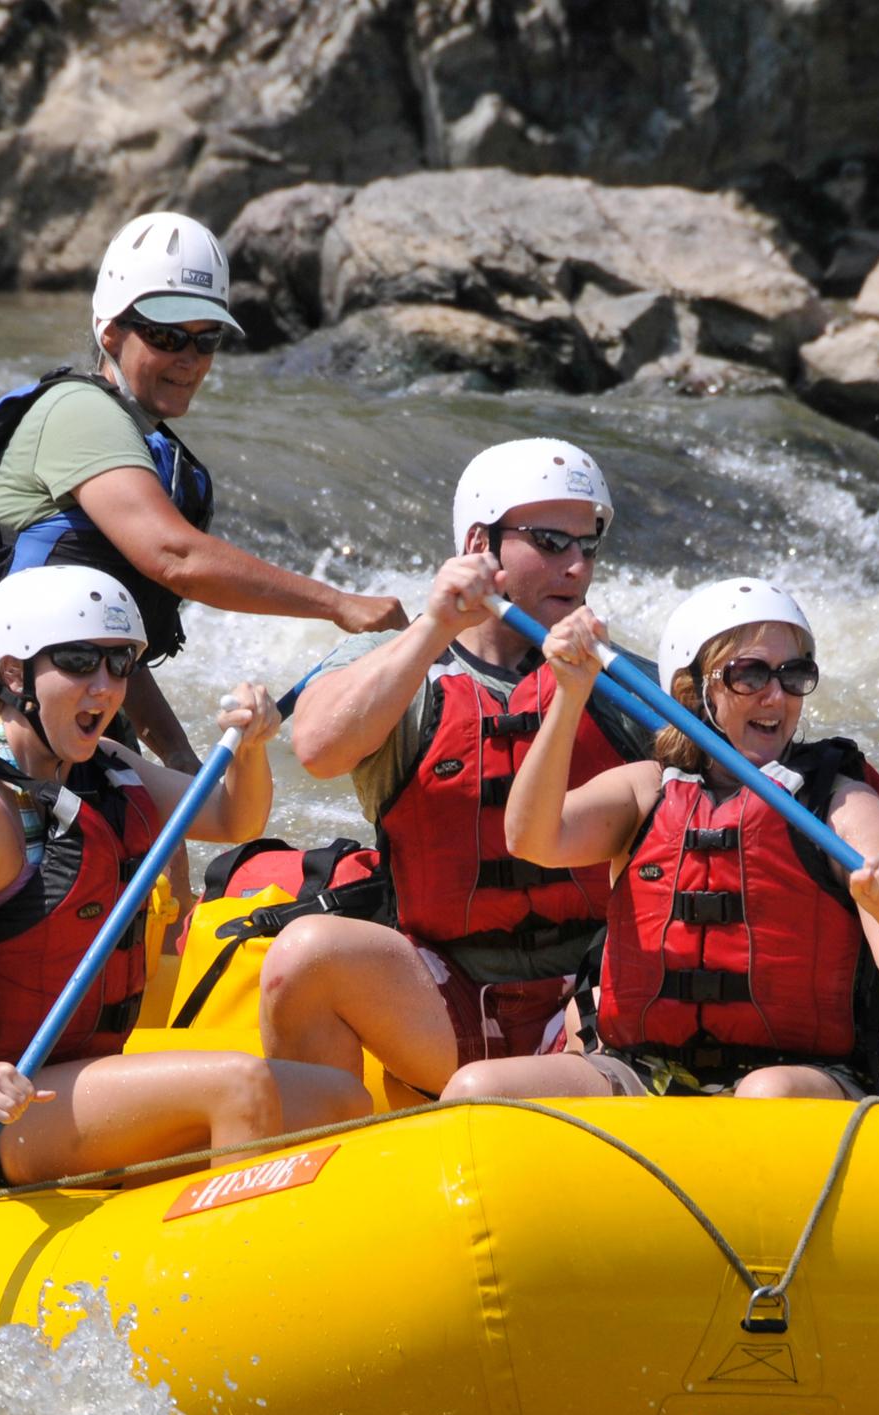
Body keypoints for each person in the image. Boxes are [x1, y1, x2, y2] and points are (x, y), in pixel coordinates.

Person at [0, 566, 372, 1186]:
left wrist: (248, 750)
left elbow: (231, 817)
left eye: (120, 664)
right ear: (14, 674)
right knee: (241, 1085)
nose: (105, 687)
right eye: (80, 662)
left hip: (78, 1077)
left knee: (335, 1098)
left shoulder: (103, 767)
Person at [0, 210, 405, 772]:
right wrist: (339, 604)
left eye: (207, 339)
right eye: (167, 335)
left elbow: (92, 642)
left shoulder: (138, 442)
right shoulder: (79, 414)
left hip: (60, 710)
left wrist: (175, 752)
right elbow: (174, 556)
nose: (189, 359)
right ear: (110, 330)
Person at [260, 438, 657, 1098]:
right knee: (305, 955)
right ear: (480, 542)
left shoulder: (623, 681)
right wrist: (435, 625)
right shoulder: (406, 668)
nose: (578, 568)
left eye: (589, 547)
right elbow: (318, 747)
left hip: (593, 993)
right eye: (552, 542)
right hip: (443, 991)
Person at [443, 577, 879, 1104]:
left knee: (765, 1095)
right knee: (477, 1087)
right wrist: (570, 694)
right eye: (750, 674)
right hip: (645, 1073)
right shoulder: (646, 790)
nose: (776, 695)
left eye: (794, 674)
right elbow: (529, 838)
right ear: (691, 692)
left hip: (802, 1077)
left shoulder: (842, 805)